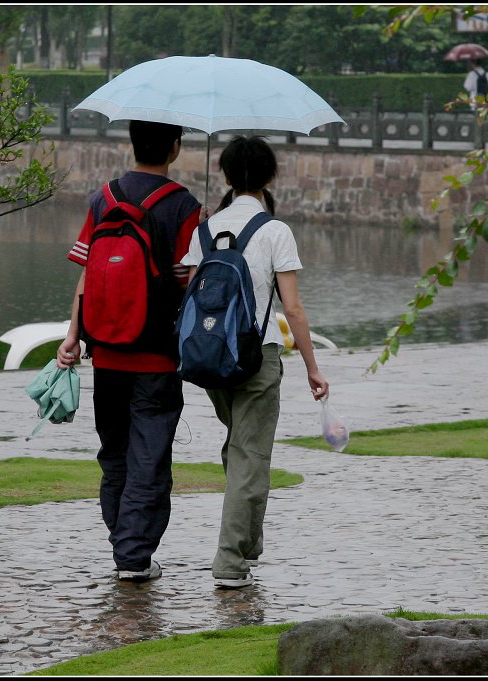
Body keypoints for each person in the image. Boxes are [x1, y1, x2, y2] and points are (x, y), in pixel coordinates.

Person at [180, 135, 329, 589]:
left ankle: (248, 542)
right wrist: (312, 367)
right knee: (250, 455)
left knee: (239, 449)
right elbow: (294, 309)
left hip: (211, 357)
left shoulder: (203, 229)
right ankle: (230, 562)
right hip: (258, 357)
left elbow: (190, 296)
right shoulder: (275, 231)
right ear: (268, 177)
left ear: (224, 175)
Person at [56, 120, 202, 582]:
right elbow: (187, 281)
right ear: (175, 148)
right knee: (149, 456)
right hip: (157, 355)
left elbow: (86, 274)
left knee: (114, 452)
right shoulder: (183, 206)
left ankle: (124, 541)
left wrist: (73, 335)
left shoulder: (104, 198)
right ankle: (133, 556)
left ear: (132, 144)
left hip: (106, 354)